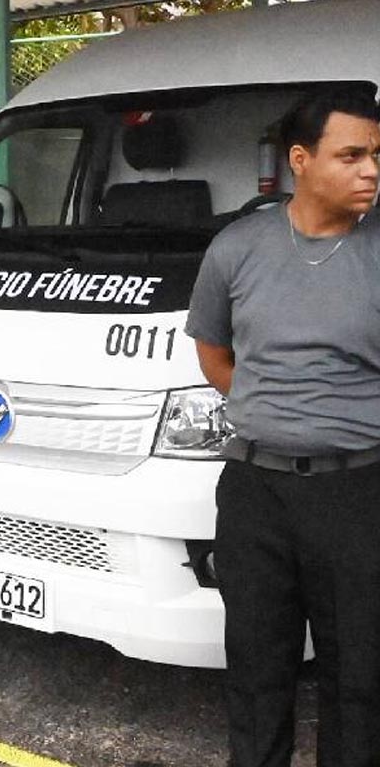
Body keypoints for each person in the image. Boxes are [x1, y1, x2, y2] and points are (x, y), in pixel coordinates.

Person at [186, 88, 380, 767]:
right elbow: (212, 350)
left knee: (360, 679)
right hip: (254, 492)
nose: (371, 171)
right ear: (301, 160)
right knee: (257, 672)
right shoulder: (237, 248)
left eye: (377, 156)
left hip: (357, 493)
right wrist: (272, 407)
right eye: (351, 155)